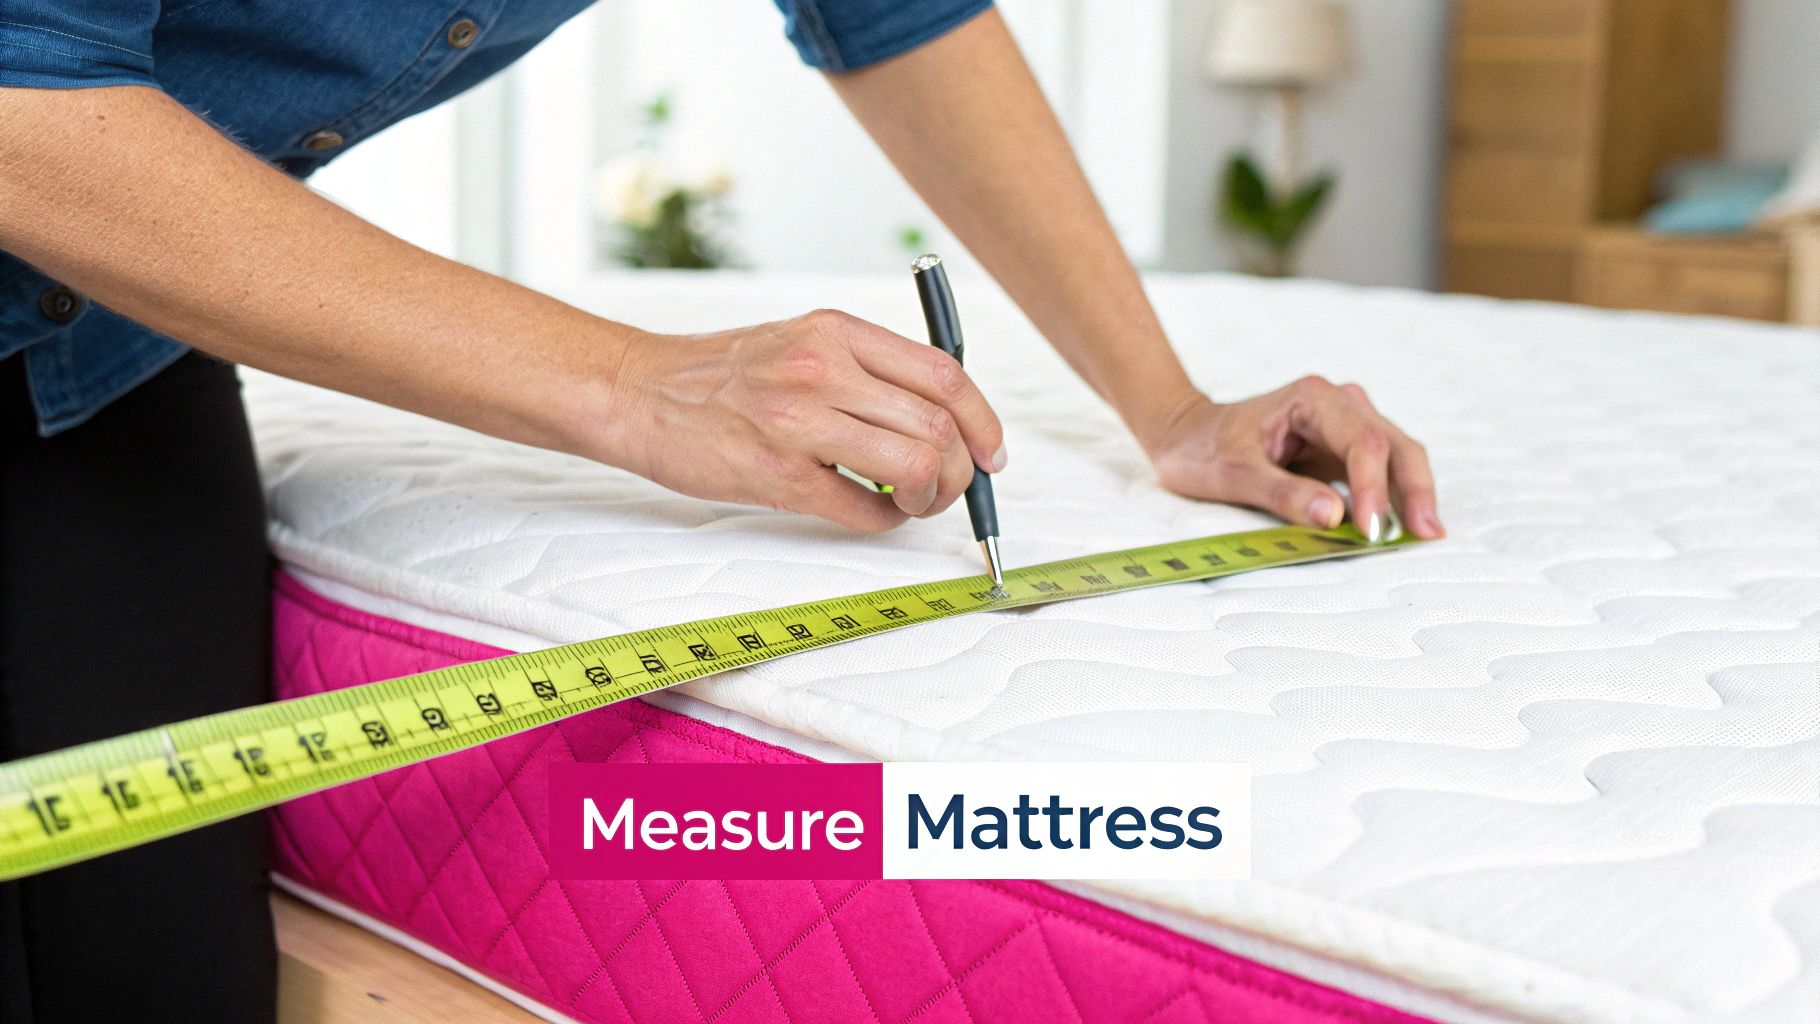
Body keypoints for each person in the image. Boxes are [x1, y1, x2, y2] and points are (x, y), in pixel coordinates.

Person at [0, 1, 1442, 1019]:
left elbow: (899, 15)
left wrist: (1170, 408)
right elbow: (22, 93)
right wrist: (634, 385)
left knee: (157, 967)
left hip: (100, 356)